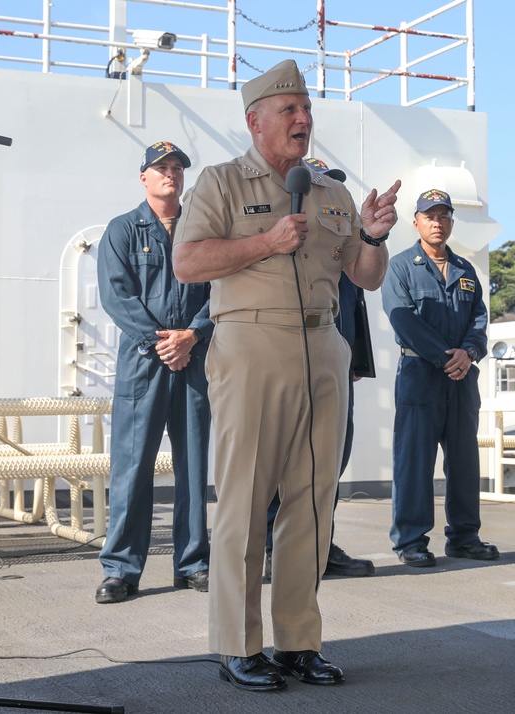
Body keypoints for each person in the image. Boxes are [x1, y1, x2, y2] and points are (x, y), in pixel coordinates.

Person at [172, 60, 399, 692]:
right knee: (244, 499)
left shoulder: (332, 193)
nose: (303, 120)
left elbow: (366, 275)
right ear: (256, 122)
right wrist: (265, 242)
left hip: (324, 345)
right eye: (289, 111)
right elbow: (188, 262)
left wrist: (376, 236)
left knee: (313, 502)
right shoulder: (218, 182)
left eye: (306, 110)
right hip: (251, 343)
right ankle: (239, 646)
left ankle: (299, 642)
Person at [95, 141, 212, 604]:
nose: (171, 174)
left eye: (178, 168)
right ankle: (121, 569)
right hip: (145, 364)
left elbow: (220, 291)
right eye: (161, 168)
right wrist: (164, 342)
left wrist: (193, 335)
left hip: (196, 361)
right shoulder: (123, 230)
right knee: (132, 468)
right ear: (143, 177)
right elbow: (117, 295)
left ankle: (192, 563)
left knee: (194, 466)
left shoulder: (202, 231)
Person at [263, 159, 375, 581]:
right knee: (282, 463)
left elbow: (355, 303)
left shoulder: (339, 242)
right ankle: (275, 548)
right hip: (290, 363)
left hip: (336, 365)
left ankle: (319, 547)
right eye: (317, 184)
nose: (325, 192)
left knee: (330, 461)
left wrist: (357, 360)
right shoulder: (290, 240)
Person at [381, 188, 499, 567]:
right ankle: (411, 541)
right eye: (429, 216)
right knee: (413, 460)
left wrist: (469, 353)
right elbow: (402, 317)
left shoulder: (466, 271)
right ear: (415, 222)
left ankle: (465, 537)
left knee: (464, 461)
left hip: (462, 377)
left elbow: (479, 320)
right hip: (420, 374)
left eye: (444, 215)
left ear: (451, 221)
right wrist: (446, 357)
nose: (437, 222)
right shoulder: (400, 266)